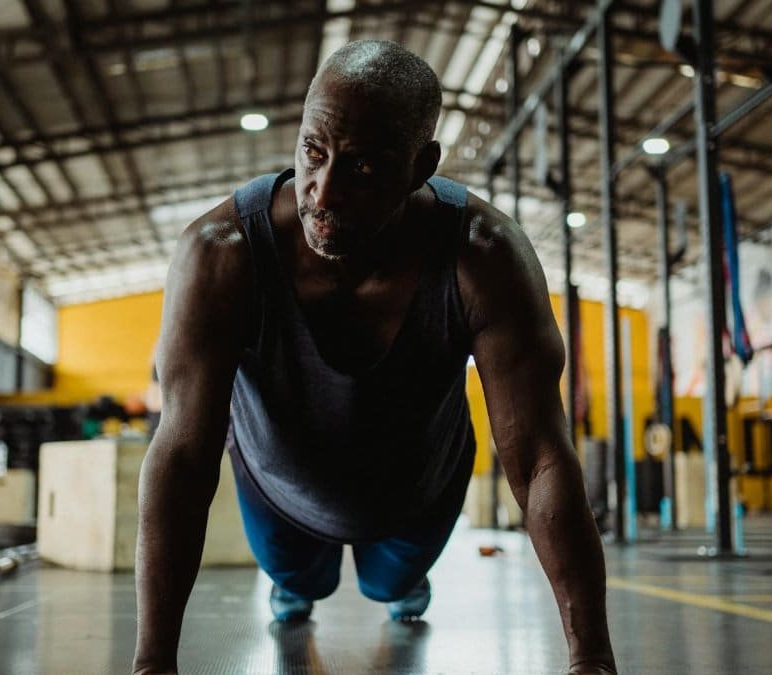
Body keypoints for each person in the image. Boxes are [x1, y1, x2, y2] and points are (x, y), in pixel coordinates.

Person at [133, 40, 615, 675]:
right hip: (278, 488)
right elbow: (184, 454)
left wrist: (592, 660)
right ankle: (294, 586)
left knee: (392, 588)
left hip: (417, 494)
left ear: (421, 166)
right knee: (297, 583)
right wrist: (151, 663)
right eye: (313, 151)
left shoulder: (484, 256)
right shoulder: (221, 254)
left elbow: (539, 459)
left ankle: (404, 587)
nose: (323, 192)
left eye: (361, 167)